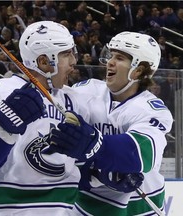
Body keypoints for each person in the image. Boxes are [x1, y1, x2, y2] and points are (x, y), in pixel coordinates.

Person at [0, 21, 88, 215]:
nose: (73, 61)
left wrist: (104, 175)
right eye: (66, 54)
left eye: (73, 53)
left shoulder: (74, 100)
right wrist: (4, 130)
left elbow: (80, 166)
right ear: (44, 62)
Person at [46, 31, 173, 215]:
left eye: (119, 58)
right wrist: (93, 174)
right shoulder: (86, 91)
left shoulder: (151, 109)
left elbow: (139, 154)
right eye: (111, 55)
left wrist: (94, 145)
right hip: (88, 204)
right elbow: (64, 139)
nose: (110, 62)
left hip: (138, 207)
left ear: (138, 71)